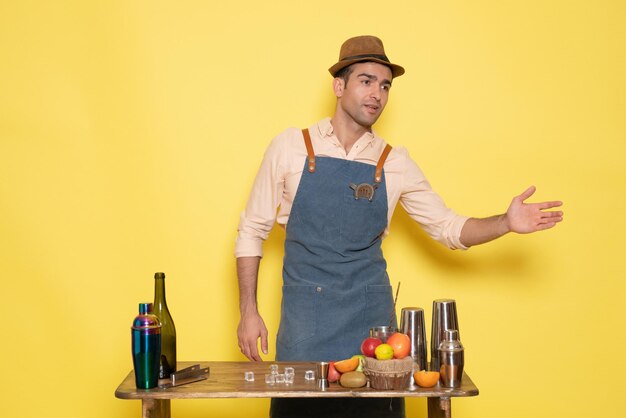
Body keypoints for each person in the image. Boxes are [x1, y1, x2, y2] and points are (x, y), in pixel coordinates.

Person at [234, 35, 563, 418]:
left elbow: (449, 228)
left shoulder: (395, 162)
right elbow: (251, 230)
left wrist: (505, 222)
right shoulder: (290, 147)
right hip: (306, 325)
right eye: (367, 80)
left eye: (385, 85)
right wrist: (248, 311)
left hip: (375, 333)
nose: (377, 94)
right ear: (339, 86)